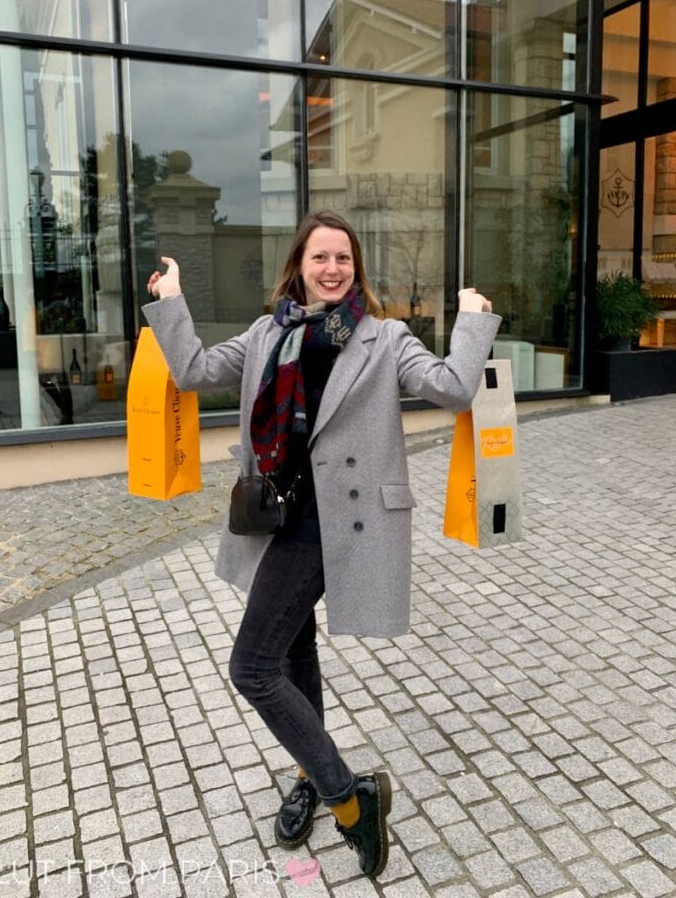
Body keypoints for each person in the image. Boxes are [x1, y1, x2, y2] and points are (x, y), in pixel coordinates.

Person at [144, 210, 500, 879]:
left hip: (334, 525)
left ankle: (347, 794)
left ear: (354, 267)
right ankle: (312, 774)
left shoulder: (383, 337)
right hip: (275, 513)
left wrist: (473, 319)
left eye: (342, 258)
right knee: (290, 653)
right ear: (300, 266)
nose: (331, 269)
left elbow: (452, 389)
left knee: (251, 667)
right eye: (319, 258)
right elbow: (191, 371)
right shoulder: (266, 332)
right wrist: (171, 302)